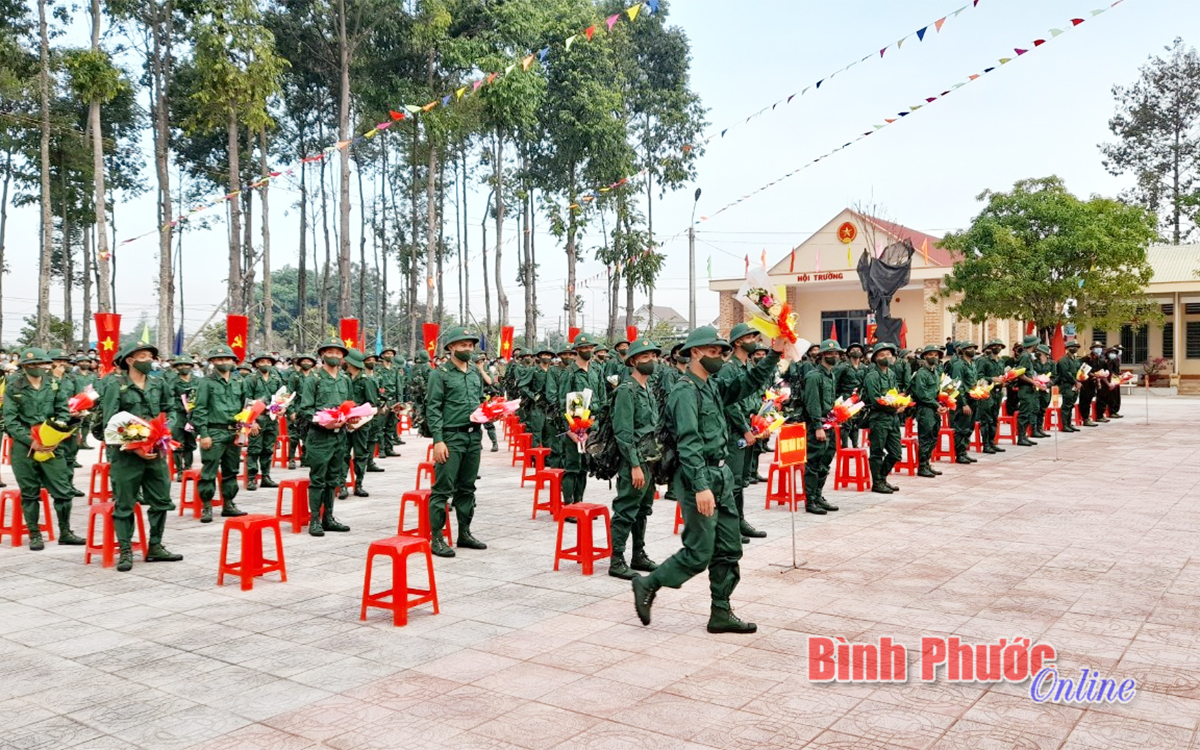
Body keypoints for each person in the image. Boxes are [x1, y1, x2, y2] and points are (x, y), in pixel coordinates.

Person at [631, 326, 785, 634]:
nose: (719, 356)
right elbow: (688, 443)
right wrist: (701, 486)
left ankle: (720, 612)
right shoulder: (684, 392)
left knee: (729, 548)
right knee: (700, 551)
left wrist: (775, 353)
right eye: (714, 351)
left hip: (721, 474)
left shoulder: (712, 385)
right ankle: (648, 583)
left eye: (721, 352)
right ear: (697, 352)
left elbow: (747, 383)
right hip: (697, 479)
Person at [100, 344, 183, 570]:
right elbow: (111, 422)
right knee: (125, 503)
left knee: (160, 500)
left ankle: (155, 545)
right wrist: (136, 446)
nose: (149, 360)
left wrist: (165, 431)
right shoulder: (115, 386)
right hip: (126, 455)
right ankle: (125, 551)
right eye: (143, 357)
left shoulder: (159, 384)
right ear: (129, 360)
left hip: (156, 451)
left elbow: (171, 410)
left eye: (151, 357)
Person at [2, 348, 84, 550]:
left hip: (53, 445)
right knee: (30, 493)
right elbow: (10, 421)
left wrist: (56, 433)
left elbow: (63, 412)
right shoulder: (14, 387)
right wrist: (31, 441)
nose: (37, 368)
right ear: (23, 366)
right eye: (32, 365)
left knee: (63, 491)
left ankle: (65, 532)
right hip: (24, 447)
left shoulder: (54, 385)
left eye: (41, 364)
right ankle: (35, 533)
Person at [426, 327, 488, 557]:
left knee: (467, 487)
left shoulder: (473, 373)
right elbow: (433, 409)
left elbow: (480, 401)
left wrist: (491, 412)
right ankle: (437, 538)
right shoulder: (439, 374)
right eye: (463, 345)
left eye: (470, 345)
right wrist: (438, 441)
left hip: (473, 435)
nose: (468, 349)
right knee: (442, 490)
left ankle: (464, 533)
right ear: (451, 347)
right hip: (451, 436)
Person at [609, 338, 663, 580]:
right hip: (634, 462)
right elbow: (623, 432)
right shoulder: (625, 390)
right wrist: (634, 465)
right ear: (633, 361)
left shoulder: (647, 388)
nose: (651, 361)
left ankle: (638, 554)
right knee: (626, 510)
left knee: (643, 510)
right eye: (645, 357)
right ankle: (616, 559)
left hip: (650, 460)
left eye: (653, 356)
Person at [297, 339, 353, 536]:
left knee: (333, 478)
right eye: (330, 352)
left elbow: (349, 405)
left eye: (338, 353)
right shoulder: (314, 379)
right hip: (320, 437)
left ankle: (328, 517)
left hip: (340, 436)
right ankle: (315, 520)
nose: (334, 356)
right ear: (322, 355)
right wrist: (322, 421)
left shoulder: (345, 379)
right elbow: (304, 409)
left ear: (343, 356)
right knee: (318, 479)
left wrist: (351, 419)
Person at [719, 323, 768, 542]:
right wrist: (746, 430)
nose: (754, 341)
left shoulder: (747, 365)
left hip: (749, 429)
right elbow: (731, 404)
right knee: (733, 481)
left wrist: (762, 424)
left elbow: (753, 399)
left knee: (742, 481)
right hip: (735, 433)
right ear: (738, 342)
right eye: (750, 338)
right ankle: (730, 527)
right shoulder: (729, 367)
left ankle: (739, 521)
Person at [191, 346, 251, 523]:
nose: (223, 362)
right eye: (218, 359)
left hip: (234, 431)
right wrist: (204, 434)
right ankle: (207, 506)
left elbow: (246, 407)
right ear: (212, 362)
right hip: (214, 431)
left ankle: (229, 504)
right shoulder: (206, 383)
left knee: (231, 470)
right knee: (209, 471)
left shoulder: (239, 382)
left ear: (233, 361)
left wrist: (246, 426)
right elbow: (200, 409)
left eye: (226, 359)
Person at [558, 334, 607, 509]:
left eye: (590, 348)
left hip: (592, 425)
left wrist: (597, 421)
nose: (588, 351)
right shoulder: (569, 373)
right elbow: (563, 402)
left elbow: (602, 399)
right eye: (584, 348)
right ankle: (569, 506)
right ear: (577, 350)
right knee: (572, 467)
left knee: (584, 468)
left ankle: (579, 502)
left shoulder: (596, 371)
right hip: (575, 426)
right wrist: (570, 429)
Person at [802, 339, 845, 513]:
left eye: (836, 353)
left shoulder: (831, 375)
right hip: (817, 425)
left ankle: (818, 495)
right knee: (813, 463)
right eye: (830, 353)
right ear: (821, 356)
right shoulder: (814, 376)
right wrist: (818, 426)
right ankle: (810, 500)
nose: (834, 356)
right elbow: (812, 403)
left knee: (825, 462)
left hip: (830, 423)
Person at [861, 341, 907, 493]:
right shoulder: (872, 376)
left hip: (892, 418)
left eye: (888, 354)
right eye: (882, 355)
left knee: (896, 453)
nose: (886, 357)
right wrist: (893, 406)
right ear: (875, 358)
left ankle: (882, 477)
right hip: (879, 418)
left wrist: (901, 402)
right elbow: (875, 399)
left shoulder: (892, 374)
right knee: (877, 451)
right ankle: (877, 482)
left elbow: (895, 393)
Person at [243, 352, 283, 491]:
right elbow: (246, 402)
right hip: (257, 419)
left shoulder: (276, 379)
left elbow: (280, 397)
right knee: (254, 449)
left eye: (268, 362)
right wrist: (251, 422)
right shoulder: (251, 379)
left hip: (271, 418)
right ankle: (251, 478)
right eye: (262, 362)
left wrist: (281, 409)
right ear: (256, 364)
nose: (265, 364)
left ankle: (266, 476)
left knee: (268, 449)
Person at [344, 350, 379, 497]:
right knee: (343, 453)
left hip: (361, 423)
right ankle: (342, 484)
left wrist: (358, 419)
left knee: (360, 453)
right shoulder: (343, 378)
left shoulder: (367, 380)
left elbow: (372, 404)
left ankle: (358, 484)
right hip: (344, 422)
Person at [910, 344, 946, 478]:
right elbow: (922, 394)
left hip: (935, 408)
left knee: (934, 437)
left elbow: (938, 391)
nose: (933, 357)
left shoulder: (936, 372)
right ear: (925, 356)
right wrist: (936, 405)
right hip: (925, 409)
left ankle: (927, 463)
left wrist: (942, 403)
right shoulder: (921, 373)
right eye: (930, 354)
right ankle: (922, 466)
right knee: (925, 437)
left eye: (936, 355)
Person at [945, 341, 979, 465]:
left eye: (973, 348)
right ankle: (959, 453)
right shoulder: (959, 365)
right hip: (963, 400)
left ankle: (964, 451)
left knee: (969, 427)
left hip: (973, 398)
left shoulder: (973, 364)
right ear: (963, 350)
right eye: (969, 348)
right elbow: (956, 385)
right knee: (961, 427)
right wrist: (963, 403)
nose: (972, 350)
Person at [167, 355, 200, 478]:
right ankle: (180, 470)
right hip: (178, 414)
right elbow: (168, 398)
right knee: (178, 442)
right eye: (180, 365)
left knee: (190, 441)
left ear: (191, 366)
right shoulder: (172, 382)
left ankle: (188, 468)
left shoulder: (197, 380)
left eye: (186, 365)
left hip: (193, 414)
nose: (183, 367)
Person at [975, 340, 1007, 453]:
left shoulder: (1001, 361)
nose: (997, 348)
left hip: (998, 392)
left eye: (999, 346)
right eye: (994, 346)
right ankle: (986, 444)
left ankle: (992, 442)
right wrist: (992, 379)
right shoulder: (983, 360)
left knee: (994, 418)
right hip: (986, 391)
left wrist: (1004, 380)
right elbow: (978, 376)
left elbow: (1002, 374)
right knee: (986, 419)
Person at [833, 343, 867, 447]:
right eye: (853, 349)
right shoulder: (843, 367)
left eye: (858, 349)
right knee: (845, 423)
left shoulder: (864, 367)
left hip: (858, 398)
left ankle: (855, 445)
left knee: (855, 423)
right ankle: (845, 446)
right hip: (845, 398)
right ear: (848, 353)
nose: (856, 351)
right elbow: (835, 382)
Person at [287, 354, 317, 468]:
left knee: (308, 435)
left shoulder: (315, 377)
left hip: (309, 410)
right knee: (294, 436)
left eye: (309, 361)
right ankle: (291, 459)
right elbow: (289, 394)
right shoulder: (294, 377)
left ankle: (305, 458)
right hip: (297, 409)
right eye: (304, 361)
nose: (306, 363)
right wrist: (291, 411)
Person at [1012, 334, 1043, 445]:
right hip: (1025, 389)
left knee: (1029, 412)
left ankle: (1024, 435)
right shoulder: (1025, 356)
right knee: (1024, 413)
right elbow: (1020, 374)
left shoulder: (1028, 356)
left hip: (1029, 388)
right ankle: (1021, 437)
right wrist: (1033, 382)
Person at [1055, 340, 1082, 432]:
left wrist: (1079, 380)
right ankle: (1064, 425)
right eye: (1073, 346)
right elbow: (1066, 373)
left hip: (1075, 385)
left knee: (1071, 405)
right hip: (1067, 385)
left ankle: (1069, 423)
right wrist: (1075, 381)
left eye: (1077, 347)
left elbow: (1078, 371)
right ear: (1067, 348)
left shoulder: (1075, 359)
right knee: (1066, 405)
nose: (1075, 348)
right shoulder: (1063, 360)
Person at [1078, 343, 1104, 426]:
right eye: (1097, 347)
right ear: (1092, 349)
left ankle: (1087, 418)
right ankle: (1085, 418)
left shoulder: (1099, 359)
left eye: (1100, 347)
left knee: (1089, 400)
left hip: (1093, 382)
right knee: (1085, 401)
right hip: (1085, 382)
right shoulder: (1087, 358)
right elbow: (1082, 369)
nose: (1099, 349)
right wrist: (1092, 374)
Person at [1032, 344, 1054, 436]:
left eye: (1039, 352)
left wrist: (1047, 385)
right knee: (1035, 409)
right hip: (1036, 389)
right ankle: (1034, 429)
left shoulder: (1052, 363)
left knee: (1043, 409)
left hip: (1046, 390)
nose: (1037, 353)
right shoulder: (1033, 363)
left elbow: (1055, 376)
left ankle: (1040, 428)